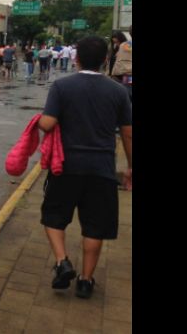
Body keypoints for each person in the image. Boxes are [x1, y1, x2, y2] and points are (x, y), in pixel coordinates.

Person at [37, 36, 132, 299]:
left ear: (76, 58)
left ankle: (62, 261)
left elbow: (47, 123)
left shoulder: (62, 87)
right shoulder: (118, 91)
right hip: (101, 168)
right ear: (105, 59)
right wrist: (130, 168)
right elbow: (127, 133)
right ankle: (86, 281)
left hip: (66, 166)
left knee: (54, 216)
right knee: (95, 226)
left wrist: (40, 122)